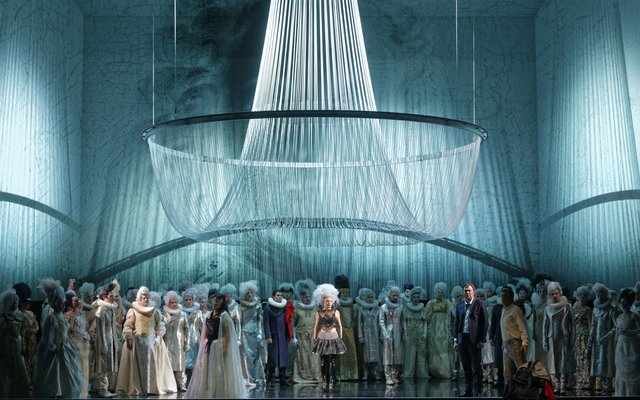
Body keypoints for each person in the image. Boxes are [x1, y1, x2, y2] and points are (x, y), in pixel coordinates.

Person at [116, 286, 176, 396]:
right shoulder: (133, 311)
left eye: (147, 297)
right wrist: (128, 337)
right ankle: (139, 388)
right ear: (139, 298)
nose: (146, 300)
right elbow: (128, 325)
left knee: (151, 363)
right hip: (138, 342)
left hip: (151, 341)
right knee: (138, 366)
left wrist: (158, 337)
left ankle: (151, 387)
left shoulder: (155, 311)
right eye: (143, 298)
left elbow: (160, 325)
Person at [186, 293, 247, 398]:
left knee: (218, 369)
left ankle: (218, 392)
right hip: (209, 345)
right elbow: (206, 331)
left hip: (219, 345)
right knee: (206, 369)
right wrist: (204, 344)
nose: (214, 303)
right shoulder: (209, 314)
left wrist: (225, 348)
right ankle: (207, 391)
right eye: (213, 301)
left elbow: (228, 332)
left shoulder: (224, 315)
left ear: (221, 303)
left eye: (217, 301)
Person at [34, 278, 83, 398]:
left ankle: (65, 393)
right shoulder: (51, 318)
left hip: (64, 347)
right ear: (55, 304)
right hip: (55, 350)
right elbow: (47, 337)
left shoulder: (61, 315)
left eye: (63, 303)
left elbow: (65, 332)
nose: (63, 306)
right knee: (54, 374)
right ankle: (55, 393)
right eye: (61, 304)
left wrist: (72, 343)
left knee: (69, 373)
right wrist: (53, 347)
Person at [453, 283, 488, 398]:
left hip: (474, 339)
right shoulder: (459, 305)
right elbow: (457, 323)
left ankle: (477, 391)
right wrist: (455, 340)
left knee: (476, 366)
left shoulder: (480, 303)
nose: (467, 293)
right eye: (465, 291)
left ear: (473, 291)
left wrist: (482, 340)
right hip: (462, 338)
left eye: (469, 290)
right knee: (466, 366)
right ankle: (468, 390)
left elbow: (484, 323)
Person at [312, 284, 347, 391]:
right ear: (323, 302)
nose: (329, 303)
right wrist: (315, 339)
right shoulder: (318, 313)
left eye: (331, 301)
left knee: (332, 361)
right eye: (327, 301)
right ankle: (324, 382)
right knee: (323, 361)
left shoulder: (336, 312)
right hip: (322, 337)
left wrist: (340, 338)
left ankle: (331, 382)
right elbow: (316, 326)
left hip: (333, 337)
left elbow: (339, 325)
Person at [543, 281, 575, 394]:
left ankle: (563, 384)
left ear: (560, 294)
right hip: (552, 338)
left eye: (556, 293)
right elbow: (545, 326)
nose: (555, 296)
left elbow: (573, 325)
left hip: (563, 337)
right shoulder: (547, 308)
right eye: (552, 294)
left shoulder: (567, 306)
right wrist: (544, 341)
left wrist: (572, 339)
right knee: (554, 362)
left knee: (563, 361)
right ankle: (556, 384)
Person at [588, 282, 619, 396]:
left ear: (606, 295)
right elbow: (593, 325)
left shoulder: (612, 309)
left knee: (607, 363)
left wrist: (606, 337)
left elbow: (616, 327)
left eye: (602, 295)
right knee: (598, 364)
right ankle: (605, 385)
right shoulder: (595, 309)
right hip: (597, 340)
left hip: (607, 341)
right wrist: (591, 336)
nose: (600, 298)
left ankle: (609, 386)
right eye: (598, 295)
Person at [0, 289, 30, 398]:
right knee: (7, 373)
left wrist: (23, 348)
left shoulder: (20, 316)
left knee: (20, 373)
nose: (15, 304)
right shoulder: (3, 317)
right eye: (13, 302)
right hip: (7, 345)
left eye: (16, 302)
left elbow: (22, 332)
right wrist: (1, 349)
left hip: (17, 344)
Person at [92, 282, 120, 398]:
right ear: (104, 297)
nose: (113, 298)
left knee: (108, 364)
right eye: (110, 296)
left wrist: (115, 342)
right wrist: (103, 344)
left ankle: (106, 388)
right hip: (103, 341)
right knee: (102, 365)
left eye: (113, 296)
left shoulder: (111, 309)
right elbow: (100, 329)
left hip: (110, 340)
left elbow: (112, 328)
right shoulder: (101, 310)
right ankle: (102, 389)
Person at [291, 279, 321, 384]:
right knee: (302, 357)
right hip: (301, 337)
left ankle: (314, 377)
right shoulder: (297, 309)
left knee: (314, 357)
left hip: (313, 336)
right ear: (302, 298)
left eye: (309, 297)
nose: (308, 299)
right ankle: (301, 377)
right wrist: (294, 338)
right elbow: (293, 325)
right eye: (306, 297)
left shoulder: (315, 308)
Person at [499, 286, 529, 387]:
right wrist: (503, 343)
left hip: (515, 344)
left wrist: (524, 343)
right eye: (502, 296)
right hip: (507, 345)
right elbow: (505, 329)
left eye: (506, 296)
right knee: (507, 373)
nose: (503, 298)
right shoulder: (503, 310)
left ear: (511, 298)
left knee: (521, 370)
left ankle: (525, 390)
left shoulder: (515, 310)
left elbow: (523, 327)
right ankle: (510, 391)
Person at [238, 280, 265, 386]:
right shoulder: (240, 306)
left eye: (251, 293)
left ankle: (258, 378)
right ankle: (248, 378)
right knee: (246, 355)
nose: (249, 295)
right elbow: (239, 323)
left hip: (254, 332)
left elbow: (259, 320)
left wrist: (259, 335)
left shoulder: (257, 305)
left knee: (256, 355)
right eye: (247, 293)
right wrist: (238, 337)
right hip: (244, 332)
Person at [567, 285, 594, 391]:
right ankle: (573, 382)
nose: (582, 299)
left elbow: (590, 324)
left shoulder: (588, 310)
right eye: (580, 296)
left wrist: (591, 336)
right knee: (574, 359)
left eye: (584, 297)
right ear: (576, 297)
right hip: (574, 336)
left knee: (584, 358)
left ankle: (585, 382)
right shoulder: (572, 310)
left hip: (583, 336)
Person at [162, 290, 191, 391]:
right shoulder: (163, 314)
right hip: (167, 342)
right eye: (172, 302)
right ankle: (168, 385)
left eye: (175, 302)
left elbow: (188, 329)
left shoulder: (182, 314)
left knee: (180, 365)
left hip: (179, 342)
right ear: (167, 303)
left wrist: (187, 342)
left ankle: (182, 385)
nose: (174, 304)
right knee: (167, 364)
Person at [263, 289, 292, 387]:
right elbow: (266, 323)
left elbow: (288, 322)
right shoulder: (268, 308)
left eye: (281, 295)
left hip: (283, 335)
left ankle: (283, 379)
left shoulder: (285, 307)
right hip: (273, 335)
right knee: (272, 357)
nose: (280, 297)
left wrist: (290, 335)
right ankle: (271, 379)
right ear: (273, 297)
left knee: (283, 357)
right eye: (278, 295)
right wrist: (268, 336)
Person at [65, 290, 91, 398]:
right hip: (75, 344)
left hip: (84, 344)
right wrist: (73, 343)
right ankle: (77, 394)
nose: (77, 302)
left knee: (85, 367)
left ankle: (84, 394)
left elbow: (85, 328)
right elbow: (67, 332)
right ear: (70, 303)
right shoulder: (68, 316)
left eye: (78, 300)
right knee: (77, 369)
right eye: (75, 301)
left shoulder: (82, 314)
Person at [614, 288, 640, 397]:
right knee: (621, 370)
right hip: (621, 346)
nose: (622, 304)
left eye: (624, 302)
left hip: (631, 346)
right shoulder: (620, 316)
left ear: (629, 302)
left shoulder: (634, 316)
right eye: (621, 302)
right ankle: (622, 393)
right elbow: (617, 331)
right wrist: (618, 334)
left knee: (632, 371)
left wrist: (628, 332)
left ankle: (632, 394)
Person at [426, 282, 454, 379]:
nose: (440, 294)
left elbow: (450, 313)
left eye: (441, 292)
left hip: (444, 325)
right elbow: (427, 315)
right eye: (438, 292)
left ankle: (446, 369)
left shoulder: (446, 302)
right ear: (435, 293)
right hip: (434, 325)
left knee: (445, 344)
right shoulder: (431, 303)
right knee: (435, 344)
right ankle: (436, 369)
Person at [14, 282, 38, 396]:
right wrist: (31, 331)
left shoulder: (31, 313)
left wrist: (34, 330)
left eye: (29, 302)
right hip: (23, 344)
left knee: (32, 365)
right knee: (24, 367)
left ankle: (32, 392)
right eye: (25, 302)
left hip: (32, 344)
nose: (27, 304)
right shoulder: (17, 315)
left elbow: (36, 326)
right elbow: (18, 330)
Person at [379, 286, 407, 385]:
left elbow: (403, 321)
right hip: (388, 333)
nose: (395, 297)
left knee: (397, 355)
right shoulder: (383, 307)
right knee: (388, 355)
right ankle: (388, 376)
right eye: (393, 295)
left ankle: (395, 375)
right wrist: (385, 334)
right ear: (389, 295)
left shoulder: (401, 307)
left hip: (398, 332)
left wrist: (405, 333)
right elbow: (381, 322)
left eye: (397, 295)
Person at [334, 275, 359, 381]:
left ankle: (353, 374)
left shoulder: (351, 304)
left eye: (346, 293)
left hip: (350, 330)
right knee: (341, 352)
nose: (345, 295)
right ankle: (341, 374)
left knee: (351, 350)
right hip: (341, 330)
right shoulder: (337, 304)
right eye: (343, 293)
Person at [403, 286, 429, 379]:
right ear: (411, 298)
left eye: (417, 297)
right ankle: (410, 372)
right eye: (414, 297)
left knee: (421, 353)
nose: (416, 299)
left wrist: (425, 333)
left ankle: (421, 373)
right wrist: (405, 333)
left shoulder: (422, 308)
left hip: (420, 332)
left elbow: (425, 322)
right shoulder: (407, 308)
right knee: (411, 353)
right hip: (410, 332)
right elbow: (404, 322)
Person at [357, 288, 381, 381]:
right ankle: (365, 372)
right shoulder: (361, 309)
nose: (370, 299)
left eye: (372, 297)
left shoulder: (377, 309)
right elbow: (359, 323)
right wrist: (360, 335)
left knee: (375, 353)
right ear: (365, 298)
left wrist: (382, 334)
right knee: (365, 354)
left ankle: (374, 371)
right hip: (365, 333)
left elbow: (380, 322)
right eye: (368, 297)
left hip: (375, 333)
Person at [182, 287, 203, 384]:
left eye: (189, 300)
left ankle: (195, 383)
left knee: (195, 361)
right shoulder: (181, 312)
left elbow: (202, 327)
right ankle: (184, 382)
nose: (188, 302)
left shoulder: (198, 312)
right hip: (184, 339)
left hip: (195, 339)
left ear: (193, 300)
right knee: (184, 361)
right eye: (186, 300)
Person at [474, 288, 494, 384]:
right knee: (481, 355)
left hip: (487, 333)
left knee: (489, 354)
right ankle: (483, 374)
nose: (479, 298)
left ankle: (490, 374)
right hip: (478, 334)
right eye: (477, 296)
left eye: (481, 296)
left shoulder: (489, 308)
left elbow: (491, 321)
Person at [531, 280, 550, 371]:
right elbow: (534, 320)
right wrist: (534, 331)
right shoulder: (535, 305)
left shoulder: (549, 304)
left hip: (547, 329)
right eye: (540, 292)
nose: (542, 293)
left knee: (546, 350)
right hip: (538, 329)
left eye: (544, 291)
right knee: (538, 350)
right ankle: (539, 369)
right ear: (538, 293)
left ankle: (548, 369)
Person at [488, 289, 504, 387]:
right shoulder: (496, 307)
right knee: (499, 357)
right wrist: (491, 337)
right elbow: (493, 323)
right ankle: (500, 379)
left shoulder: (512, 307)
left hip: (509, 335)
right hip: (499, 335)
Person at [449, 285, 464, 382]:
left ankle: (466, 373)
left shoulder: (466, 306)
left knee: (465, 355)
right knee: (455, 355)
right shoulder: (452, 308)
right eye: (457, 296)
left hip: (465, 333)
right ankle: (455, 374)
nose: (459, 298)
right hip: (456, 334)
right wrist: (450, 335)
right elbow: (450, 323)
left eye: (460, 296)